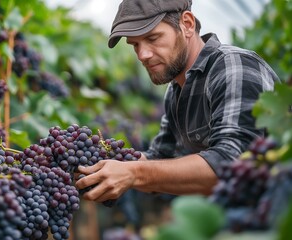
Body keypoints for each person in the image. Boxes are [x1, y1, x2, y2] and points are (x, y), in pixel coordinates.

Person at [75, 0, 280, 203]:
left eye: (153, 38)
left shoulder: (233, 67)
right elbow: (160, 157)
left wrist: (133, 173)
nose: (143, 55)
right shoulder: (176, 91)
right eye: (135, 44)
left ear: (187, 24)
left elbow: (231, 163)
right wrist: (99, 165)